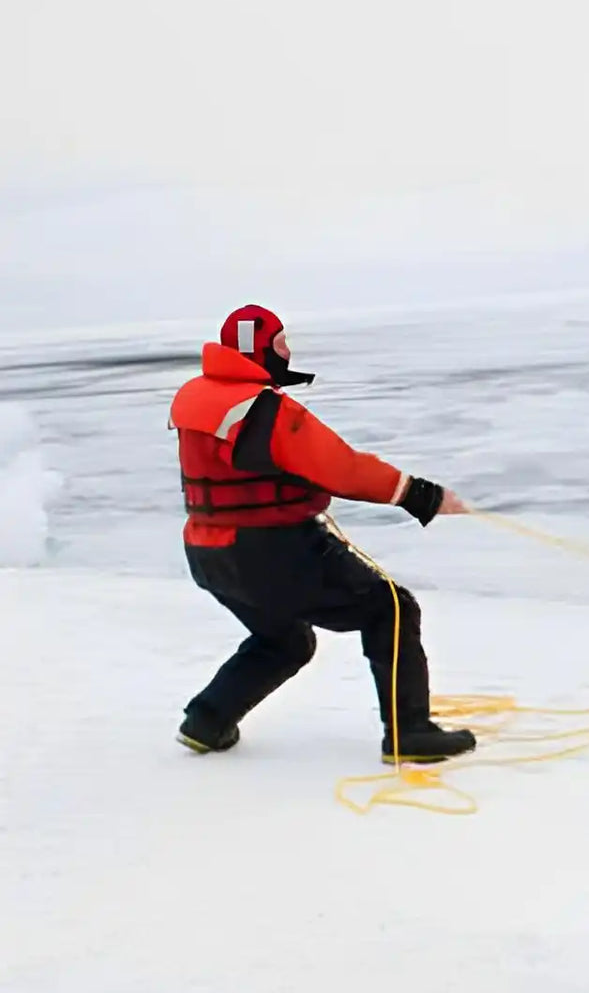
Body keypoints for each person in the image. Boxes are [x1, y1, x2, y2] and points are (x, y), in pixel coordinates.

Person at [169, 304, 476, 764]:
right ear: (260, 349)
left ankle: (207, 721)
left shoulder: (196, 399)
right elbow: (343, 469)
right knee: (391, 608)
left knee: (284, 641)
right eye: (281, 342)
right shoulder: (266, 410)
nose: (288, 350)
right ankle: (409, 732)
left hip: (208, 553)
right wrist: (421, 496)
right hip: (269, 549)